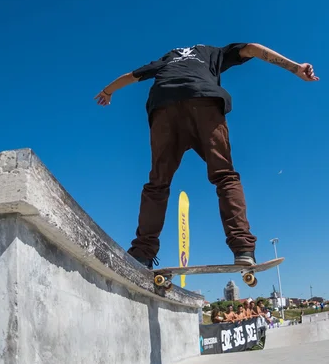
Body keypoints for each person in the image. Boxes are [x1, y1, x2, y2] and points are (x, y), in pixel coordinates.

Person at [95, 43, 318, 269]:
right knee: (224, 176)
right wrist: (294, 67)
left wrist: (107, 91)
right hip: (204, 101)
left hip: (164, 109)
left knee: (158, 184)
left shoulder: (166, 60)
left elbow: (131, 76)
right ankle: (243, 249)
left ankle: (142, 253)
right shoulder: (215, 53)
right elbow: (252, 48)